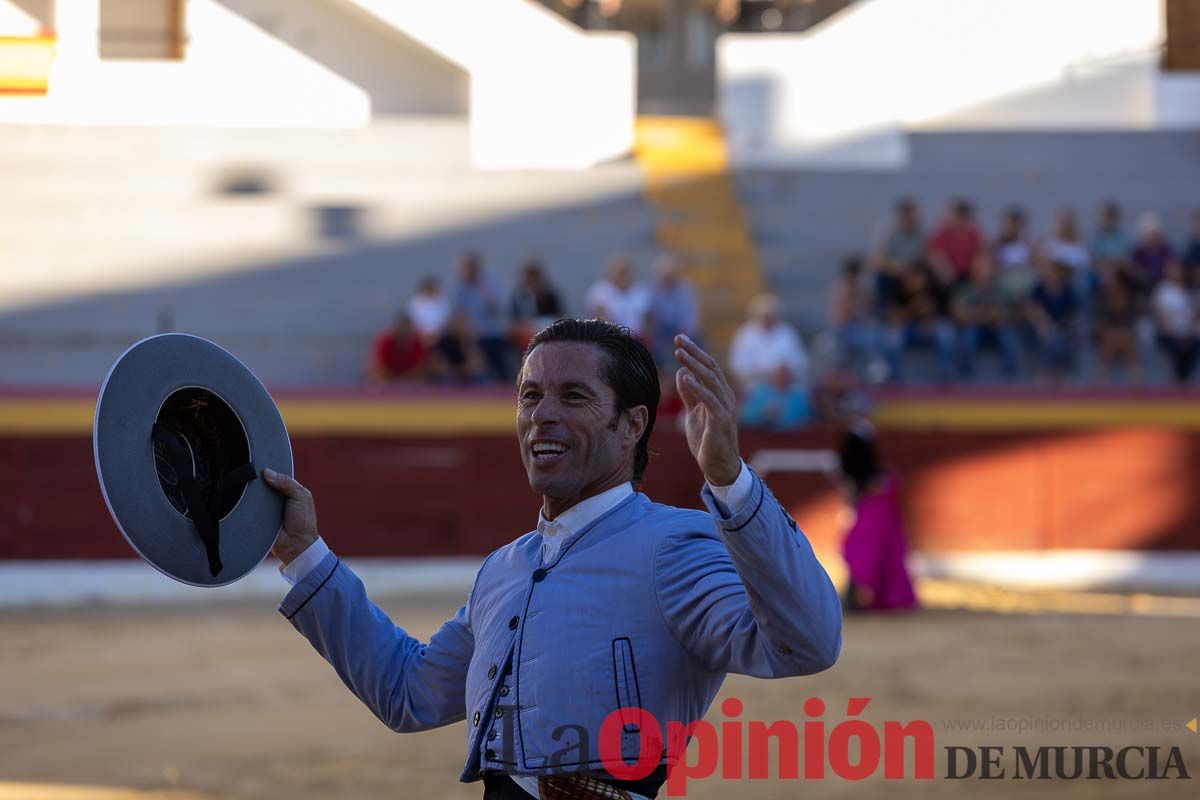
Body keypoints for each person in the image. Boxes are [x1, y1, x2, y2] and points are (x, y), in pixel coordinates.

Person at [262, 320, 841, 800]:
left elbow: (807, 642)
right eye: (531, 395)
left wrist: (730, 481)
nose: (542, 414)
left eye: (574, 396)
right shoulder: (505, 569)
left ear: (632, 425)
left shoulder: (676, 547)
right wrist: (303, 556)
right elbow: (408, 692)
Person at [836, 424, 917, 612]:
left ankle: (853, 596)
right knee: (861, 548)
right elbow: (850, 475)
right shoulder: (853, 438)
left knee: (862, 549)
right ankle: (853, 596)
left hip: (865, 501)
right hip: (862, 500)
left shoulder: (861, 435)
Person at [879, 260, 956, 383]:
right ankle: (893, 373)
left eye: (920, 278)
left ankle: (944, 370)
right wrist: (912, 308)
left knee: (946, 332)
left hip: (928, 328)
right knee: (891, 336)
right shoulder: (898, 290)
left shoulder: (933, 290)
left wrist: (929, 314)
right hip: (907, 329)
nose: (917, 282)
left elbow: (944, 314)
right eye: (913, 278)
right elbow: (893, 318)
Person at [952, 253, 1021, 379]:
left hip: (997, 328)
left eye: (987, 268)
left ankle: (1011, 378)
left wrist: (975, 313)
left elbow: (1006, 315)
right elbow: (959, 314)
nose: (984, 272)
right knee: (967, 338)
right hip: (973, 328)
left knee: (1010, 337)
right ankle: (965, 377)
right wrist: (986, 315)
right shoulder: (965, 289)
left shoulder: (1002, 290)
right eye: (980, 268)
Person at [728, 293, 810, 397]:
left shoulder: (787, 333)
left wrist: (783, 372)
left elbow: (800, 363)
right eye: (763, 315)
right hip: (753, 389)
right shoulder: (745, 334)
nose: (766, 318)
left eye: (770, 315)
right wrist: (767, 374)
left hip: (786, 388)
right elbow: (737, 366)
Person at [453, 251, 512, 382]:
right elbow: (459, 315)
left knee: (500, 369)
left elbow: (499, 308)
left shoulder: (488, 285)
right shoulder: (461, 290)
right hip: (474, 337)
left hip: (493, 334)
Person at [1025, 260, 1079, 382]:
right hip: (1040, 327)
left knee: (1060, 340)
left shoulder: (1068, 290)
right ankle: (1045, 373)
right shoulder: (1038, 289)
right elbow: (1031, 309)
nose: (1050, 275)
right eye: (1048, 273)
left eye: (1053, 273)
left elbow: (1072, 312)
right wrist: (1043, 325)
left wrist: (1060, 326)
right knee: (1048, 339)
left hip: (1063, 327)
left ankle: (1059, 373)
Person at [871, 197, 925, 316]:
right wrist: (901, 270)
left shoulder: (920, 233)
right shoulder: (887, 231)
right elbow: (877, 260)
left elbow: (923, 258)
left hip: (911, 274)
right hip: (891, 274)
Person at [827, 255, 878, 379]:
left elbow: (867, 311)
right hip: (842, 329)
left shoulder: (862, 289)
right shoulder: (839, 289)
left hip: (858, 328)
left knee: (870, 337)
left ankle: (871, 370)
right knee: (843, 344)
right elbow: (839, 318)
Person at [646, 255, 701, 366]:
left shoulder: (686, 289)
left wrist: (686, 332)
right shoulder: (651, 290)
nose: (668, 279)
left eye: (671, 275)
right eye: (665, 276)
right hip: (661, 332)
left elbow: (691, 316)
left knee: (696, 340)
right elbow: (651, 317)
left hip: (682, 330)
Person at [1092, 264, 1141, 384]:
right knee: (1110, 340)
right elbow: (1100, 318)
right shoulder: (1102, 296)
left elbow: (1131, 317)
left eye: (1111, 277)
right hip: (1107, 332)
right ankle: (1100, 382)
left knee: (1125, 339)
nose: (1108, 280)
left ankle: (1136, 383)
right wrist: (1105, 330)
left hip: (1125, 331)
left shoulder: (1129, 296)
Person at [1151, 260, 1198, 385]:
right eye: (1173, 271)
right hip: (1170, 333)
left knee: (1192, 347)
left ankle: (1186, 383)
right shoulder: (1162, 290)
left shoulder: (1192, 290)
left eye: (1179, 270)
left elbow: (1196, 315)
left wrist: (1188, 332)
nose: (1177, 273)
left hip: (1190, 334)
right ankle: (1175, 384)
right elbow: (1160, 315)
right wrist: (1175, 333)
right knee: (1175, 349)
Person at [586, 256, 651, 336]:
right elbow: (599, 318)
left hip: (638, 338)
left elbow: (648, 319)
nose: (624, 277)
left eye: (627, 273)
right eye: (621, 273)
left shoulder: (641, 291)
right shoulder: (600, 291)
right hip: (611, 337)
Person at [509, 259, 564, 353]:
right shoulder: (519, 296)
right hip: (526, 330)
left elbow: (558, 315)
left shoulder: (548, 295)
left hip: (545, 326)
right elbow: (516, 318)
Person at [927, 198, 984, 284]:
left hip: (968, 274)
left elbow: (980, 253)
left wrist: (976, 270)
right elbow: (935, 254)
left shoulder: (973, 234)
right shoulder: (943, 233)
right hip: (947, 275)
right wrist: (947, 271)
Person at [366, 313, 429, 386]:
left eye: (408, 328)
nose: (405, 331)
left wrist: (405, 380)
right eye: (402, 328)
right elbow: (378, 365)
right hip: (387, 379)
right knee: (374, 374)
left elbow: (420, 367)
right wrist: (391, 380)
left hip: (409, 380)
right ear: (396, 328)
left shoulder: (418, 344)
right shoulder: (386, 342)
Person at [407, 276, 452, 346]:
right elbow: (411, 322)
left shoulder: (443, 302)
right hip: (418, 338)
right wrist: (423, 335)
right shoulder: (414, 303)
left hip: (440, 338)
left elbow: (447, 321)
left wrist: (436, 335)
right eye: (430, 287)